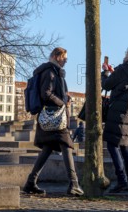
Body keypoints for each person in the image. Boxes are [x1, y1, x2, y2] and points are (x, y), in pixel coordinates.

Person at [23, 47, 84, 196]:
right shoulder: (50, 72)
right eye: (65, 58)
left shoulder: (54, 72)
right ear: (57, 57)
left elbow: (52, 93)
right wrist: (62, 103)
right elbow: (46, 93)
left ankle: (31, 183)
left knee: (48, 148)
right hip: (55, 117)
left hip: (52, 118)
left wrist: (65, 98)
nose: (66, 61)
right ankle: (74, 184)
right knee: (67, 146)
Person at [102, 45, 128, 193]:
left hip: (117, 113)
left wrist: (106, 72)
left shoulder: (123, 69)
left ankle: (122, 181)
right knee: (125, 146)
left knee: (112, 145)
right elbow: (124, 84)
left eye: (126, 52)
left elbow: (106, 84)